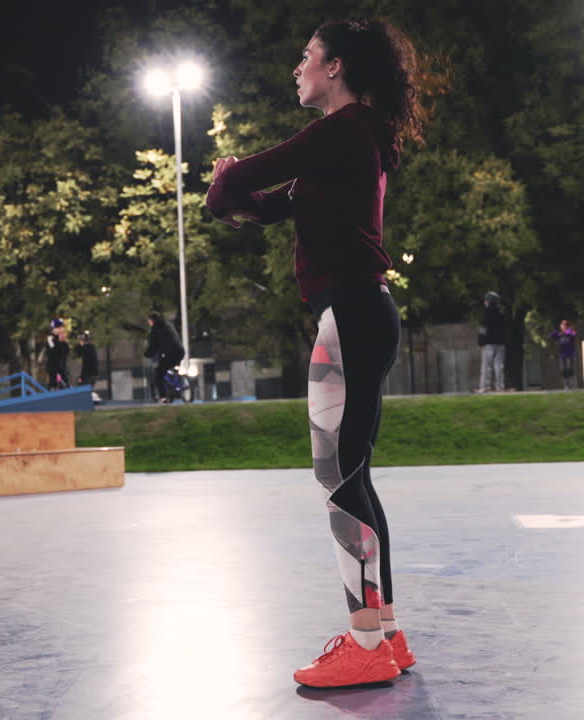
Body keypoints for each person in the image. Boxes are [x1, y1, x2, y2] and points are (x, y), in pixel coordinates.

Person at [205, 17, 426, 688]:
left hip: (350, 315)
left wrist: (228, 176)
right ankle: (385, 636)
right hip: (364, 313)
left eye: (306, 58)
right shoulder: (347, 147)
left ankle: (365, 645)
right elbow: (243, 205)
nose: (297, 69)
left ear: (335, 67)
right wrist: (232, 188)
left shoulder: (341, 130)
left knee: (337, 479)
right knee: (353, 475)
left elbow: (238, 181)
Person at [144, 311, 184, 404]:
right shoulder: (168, 325)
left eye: (149, 322)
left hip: (169, 354)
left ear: (151, 321)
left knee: (158, 374)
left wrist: (147, 354)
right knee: (172, 367)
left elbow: (153, 346)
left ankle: (163, 397)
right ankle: (177, 383)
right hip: (180, 351)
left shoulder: (154, 330)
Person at [477, 291, 506, 392]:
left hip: (488, 343)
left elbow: (483, 328)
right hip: (500, 343)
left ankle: (484, 387)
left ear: (488, 301)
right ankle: (500, 387)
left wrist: (480, 341)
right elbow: (505, 329)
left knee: (486, 366)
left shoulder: (486, 313)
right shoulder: (501, 312)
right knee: (499, 366)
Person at [550, 319, 577, 389]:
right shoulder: (559, 334)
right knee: (563, 369)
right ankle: (566, 384)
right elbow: (552, 336)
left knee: (570, 368)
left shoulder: (570, 333)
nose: (563, 326)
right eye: (562, 325)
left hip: (570, 353)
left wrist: (567, 332)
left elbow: (574, 335)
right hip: (562, 354)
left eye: (565, 325)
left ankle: (571, 382)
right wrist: (557, 330)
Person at [44, 320, 70, 390]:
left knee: (66, 383)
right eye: (59, 327)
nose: (61, 329)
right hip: (53, 367)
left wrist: (64, 342)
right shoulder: (50, 338)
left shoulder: (62, 337)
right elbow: (53, 352)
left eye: (62, 327)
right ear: (54, 329)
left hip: (62, 367)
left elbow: (67, 352)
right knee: (53, 384)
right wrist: (59, 342)